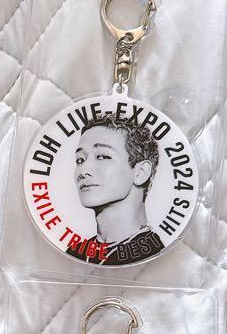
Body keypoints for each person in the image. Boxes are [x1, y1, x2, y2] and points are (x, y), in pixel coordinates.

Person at [67, 113, 165, 265]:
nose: (83, 170)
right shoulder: (74, 253)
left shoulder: (157, 255)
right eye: (80, 160)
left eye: (102, 157)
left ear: (140, 172)